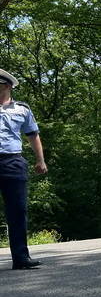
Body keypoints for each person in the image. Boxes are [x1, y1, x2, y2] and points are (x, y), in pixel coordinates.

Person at [0, 69, 47, 269]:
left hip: (13, 162)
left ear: (6, 86)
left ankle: (20, 258)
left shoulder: (22, 109)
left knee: (18, 211)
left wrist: (40, 161)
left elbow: (33, 135)